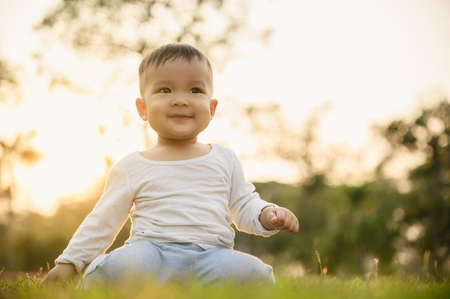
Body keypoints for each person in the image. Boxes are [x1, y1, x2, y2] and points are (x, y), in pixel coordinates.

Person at [43, 43, 299, 287]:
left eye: (195, 90)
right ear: (142, 108)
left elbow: (243, 204)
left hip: (211, 256)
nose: (180, 100)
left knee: (254, 273)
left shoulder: (223, 158)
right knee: (120, 265)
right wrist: (70, 262)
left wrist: (267, 214)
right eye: (165, 90)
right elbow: (103, 219)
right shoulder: (132, 165)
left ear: (212, 108)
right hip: (150, 253)